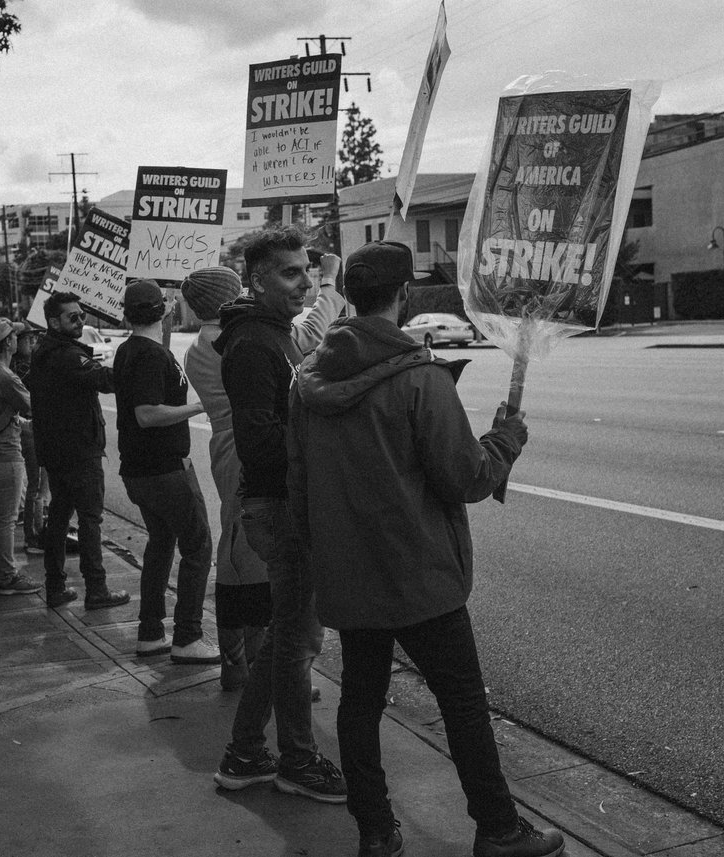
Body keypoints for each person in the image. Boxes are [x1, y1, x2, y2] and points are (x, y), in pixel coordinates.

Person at [287, 241, 563, 857]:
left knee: (359, 701)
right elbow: (465, 478)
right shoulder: (420, 380)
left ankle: (376, 832)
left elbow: (297, 484)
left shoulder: (306, 382)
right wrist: (505, 440)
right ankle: (497, 828)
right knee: (462, 703)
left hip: (350, 574)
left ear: (351, 296)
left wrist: (322, 558)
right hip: (421, 576)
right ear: (405, 295)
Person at [211, 227, 346, 803]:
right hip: (279, 504)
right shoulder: (253, 346)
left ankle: (247, 752)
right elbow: (260, 440)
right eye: (290, 273)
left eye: (306, 270)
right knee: (296, 638)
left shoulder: (272, 335)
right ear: (256, 279)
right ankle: (294, 758)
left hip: (283, 501)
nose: (304, 282)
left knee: (289, 634)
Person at [182, 258, 345, 690]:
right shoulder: (238, 339)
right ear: (231, 296)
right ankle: (265, 670)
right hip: (247, 448)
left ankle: (240, 665)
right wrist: (329, 285)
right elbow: (309, 336)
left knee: (237, 547)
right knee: (259, 562)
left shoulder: (200, 342)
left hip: (226, 446)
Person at [113, 280, 219, 664]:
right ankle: (187, 636)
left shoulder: (131, 350)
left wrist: (166, 310)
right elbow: (146, 413)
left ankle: (151, 633)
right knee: (198, 547)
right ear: (163, 310)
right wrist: (198, 407)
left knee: (161, 543)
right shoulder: (150, 357)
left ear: (125, 314)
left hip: (140, 471)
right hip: (164, 470)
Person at [27, 291, 129, 610]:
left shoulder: (44, 351)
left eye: (83, 316)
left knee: (59, 517)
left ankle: (55, 585)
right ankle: (96, 589)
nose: (81, 321)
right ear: (54, 321)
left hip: (57, 450)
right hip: (78, 450)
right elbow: (104, 380)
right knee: (88, 519)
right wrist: (135, 356)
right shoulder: (66, 355)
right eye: (74, 317)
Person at [0, 317, 42, 596]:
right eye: (15, 336)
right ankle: (7, 576)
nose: (19, 339)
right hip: (4, 454)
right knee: (5, 519)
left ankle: (3, 574)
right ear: (7, 343)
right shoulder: (5, 375)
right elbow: (30, 407)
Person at [11, 326, 45, 554]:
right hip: (27, 427)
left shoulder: (14, 366)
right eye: (29, 340)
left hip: (23, 428)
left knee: (35, 484)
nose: (33, 343)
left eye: (34, 339)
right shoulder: (21, 369)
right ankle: (32, 536)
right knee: (35, 484)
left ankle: (35, 529)